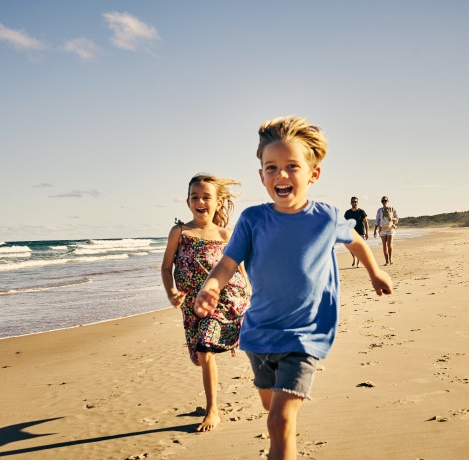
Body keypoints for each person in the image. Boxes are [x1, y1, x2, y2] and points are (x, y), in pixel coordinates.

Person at [194, 116, 393, 460]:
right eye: (271, 168)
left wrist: (375, 273)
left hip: (305, 335)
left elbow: (356, 240)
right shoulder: (253, 219)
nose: (280, 175)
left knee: (280, 420)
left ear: (313, 174)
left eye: (291, 167)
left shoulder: (326, 217)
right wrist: (211, 285)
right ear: (261, 175)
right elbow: (228, 262)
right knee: (273, 415)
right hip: (258, 335)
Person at [160, 173, 251, 432]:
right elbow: (166, 268)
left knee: (205, 348)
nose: (200, 201)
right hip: (193, 306)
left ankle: (213, 411)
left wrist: (251, 294)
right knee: (200, 356)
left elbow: (240, 270)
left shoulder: (225, 234)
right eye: (195, 197)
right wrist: (171, 292)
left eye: (206, 197)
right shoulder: (180, 232)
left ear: (218, 203)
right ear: (188, 202)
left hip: (226, 300)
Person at [344, 196, 369, 267]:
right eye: (353, 202)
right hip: (351, 233)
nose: (354, 203)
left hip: (361, 233)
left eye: (355, 202)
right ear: (350, 203)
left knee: (360, 248)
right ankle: (354, 257)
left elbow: (366, 222)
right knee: (351, 248)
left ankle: (358, 261)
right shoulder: (348, 212)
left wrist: (367, 233)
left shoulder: (361, 212)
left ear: (357, 203)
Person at [374, 196, 399, 266]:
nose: (384, 202)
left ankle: (390, 259)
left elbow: (397, 219)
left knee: (389, 244)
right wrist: (375, 230)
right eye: (383, 201)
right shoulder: (379, 210)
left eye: (385, 201)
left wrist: (392, 218)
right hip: (382, 229)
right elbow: (377, 220)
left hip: (390, 228)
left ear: (388, 201)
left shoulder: (392, 209)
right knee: (384, 245)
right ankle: (387, 261)